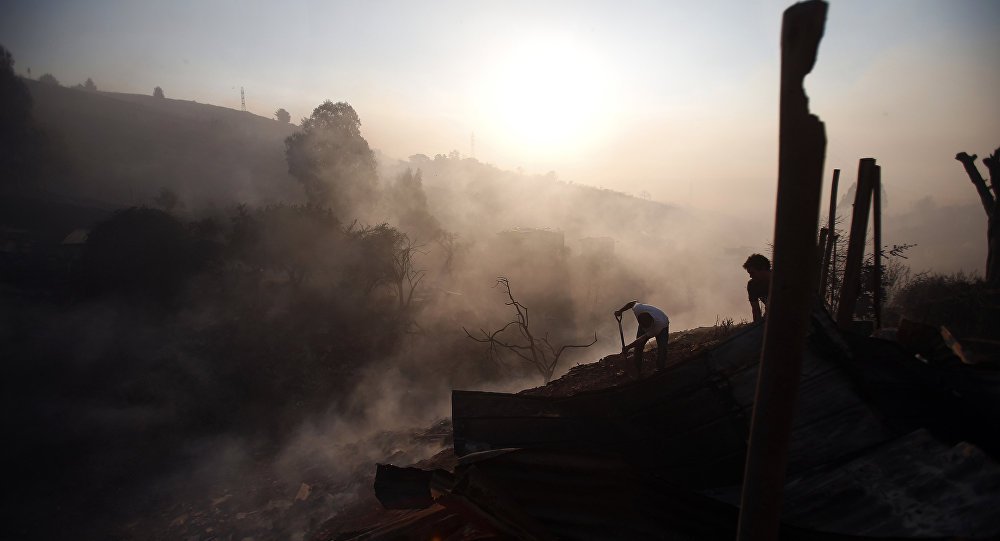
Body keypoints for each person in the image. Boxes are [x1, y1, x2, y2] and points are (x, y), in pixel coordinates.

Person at [614, 300, 669, 376]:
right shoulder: (638, 309)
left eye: (648, 328)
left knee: (662, 349)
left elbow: (641, 339)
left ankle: (660, 369)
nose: (646, 330)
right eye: (644, 327)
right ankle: (638, 371)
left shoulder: (658, 327)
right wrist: (620, 311)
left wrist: (628, 347)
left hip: (663, 326)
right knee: (638, 348)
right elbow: (632, 303)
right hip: (646, 323)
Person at [743, 253, 771, 323]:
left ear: (763, 268)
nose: (750, 276)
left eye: (752, 273)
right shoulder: (752, 285)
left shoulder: (781, 278)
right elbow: (756, 311)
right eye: (749, 273)